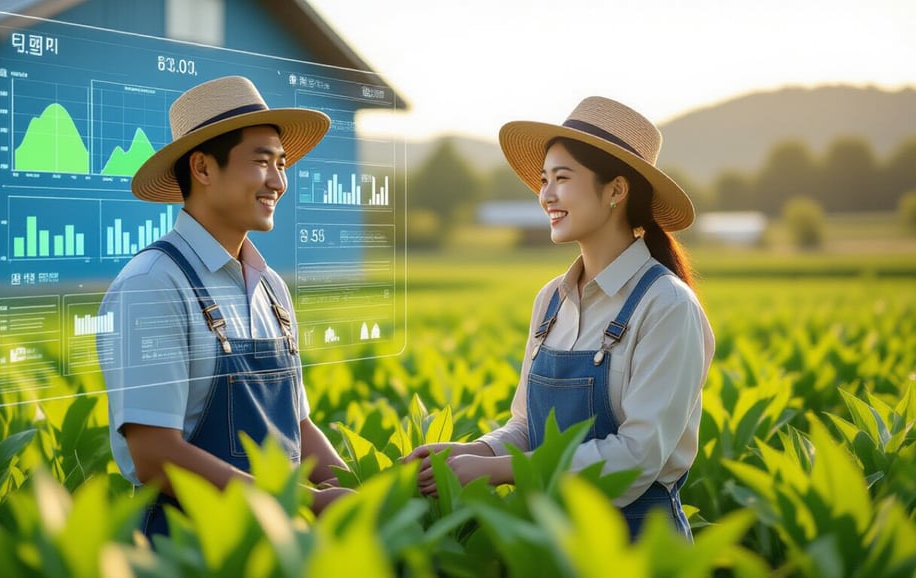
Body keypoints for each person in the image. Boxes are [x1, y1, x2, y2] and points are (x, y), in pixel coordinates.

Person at [403, 97, 714, 540]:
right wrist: (471, 451)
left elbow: (637, 457)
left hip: (639, 548)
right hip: (552, 544)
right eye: (544, 179)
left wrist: (498, 470)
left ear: (616, 190)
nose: (545, 194)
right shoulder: (551, 300)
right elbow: (528, 426)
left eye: (562, 179)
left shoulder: (667, 305)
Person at [98, 76, 351, 541]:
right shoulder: (152, 284)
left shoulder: (271, 288)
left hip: (273, 546)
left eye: (282, 164)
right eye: (261, 162)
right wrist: (307, 504)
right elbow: (155, 454)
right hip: (188, 550)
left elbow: (297, 424)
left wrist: (359, 491)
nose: (278, 181)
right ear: (203, 168)